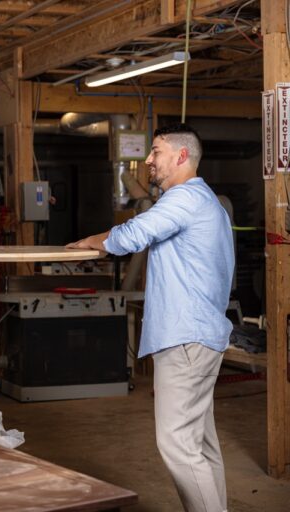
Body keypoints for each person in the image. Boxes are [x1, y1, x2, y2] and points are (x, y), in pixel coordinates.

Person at [66, 124, 233, 512]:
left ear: (181, 156)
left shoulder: (184, 198)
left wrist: (92, 241)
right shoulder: (206, 200)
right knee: (200, 444)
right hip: (201, 335)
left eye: (155, 152)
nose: (147, 160)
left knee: (177, 443)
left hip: (186, 339)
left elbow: (131, 236)